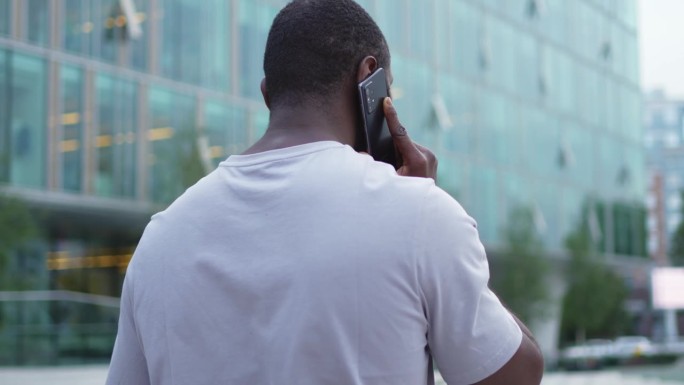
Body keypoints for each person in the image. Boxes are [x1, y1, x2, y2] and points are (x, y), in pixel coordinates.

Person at [106, 0, 544, 384]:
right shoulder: (420, 214)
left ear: (267, 94)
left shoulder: (159, 241)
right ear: (370, 79)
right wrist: (431, 222)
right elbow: (513, 376)